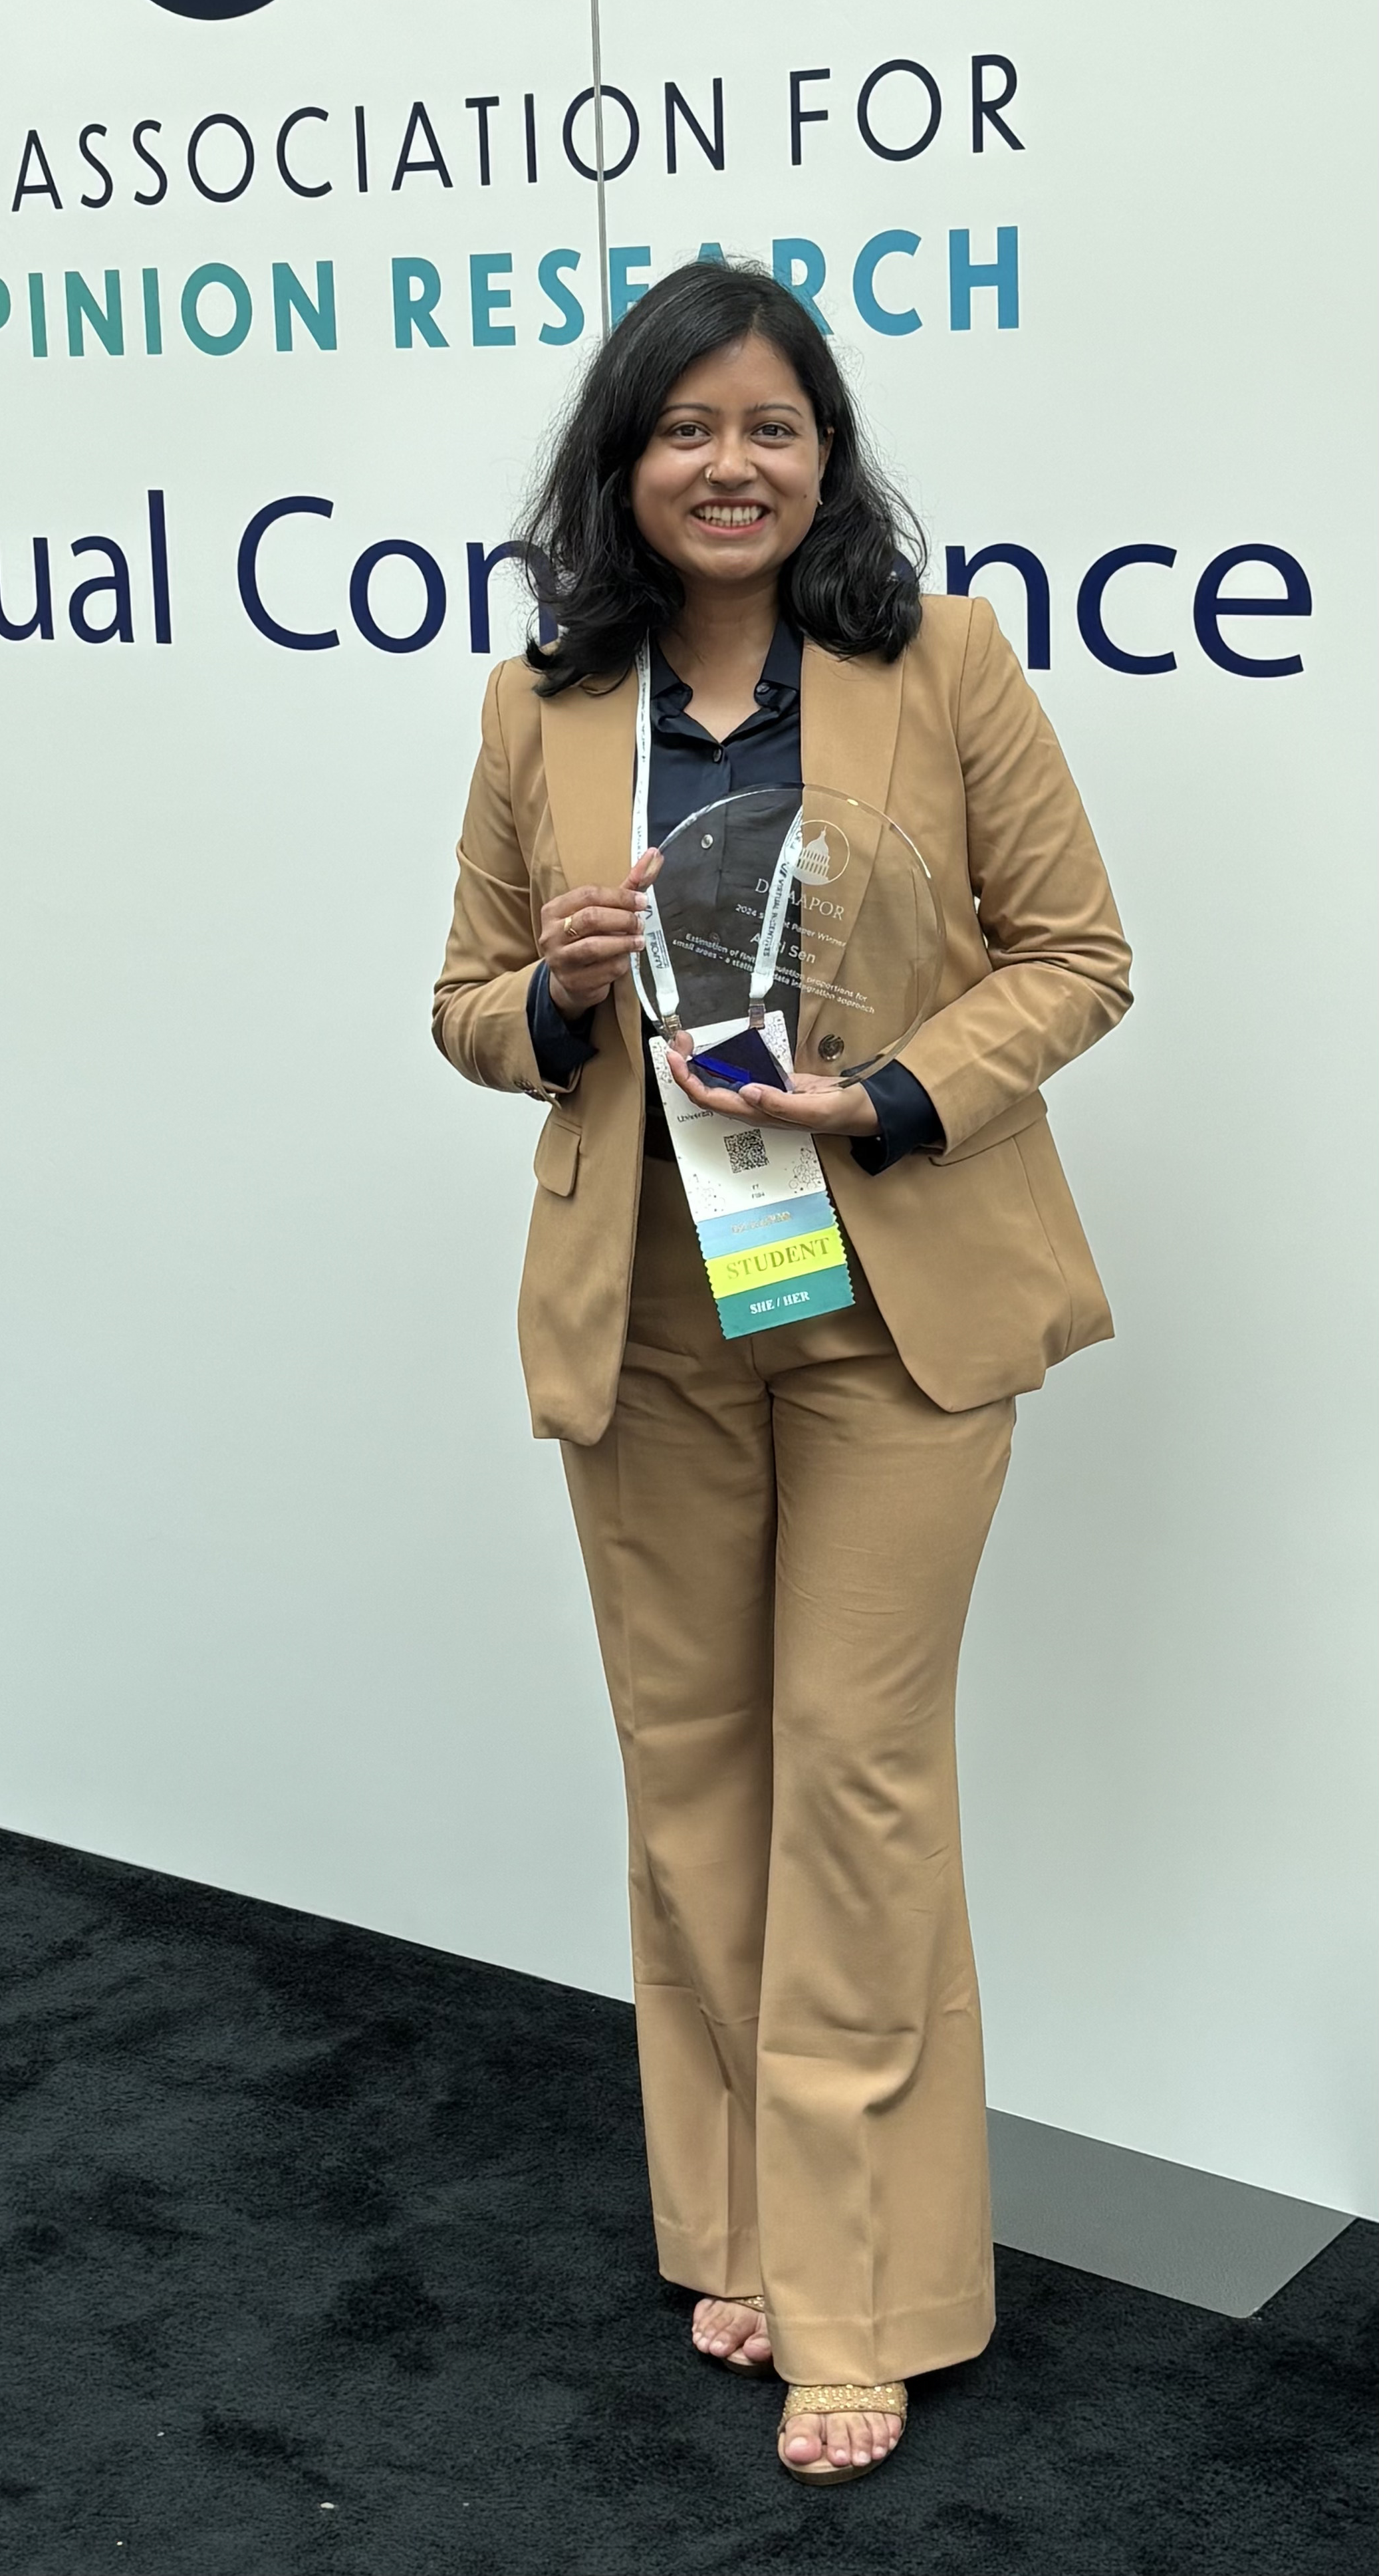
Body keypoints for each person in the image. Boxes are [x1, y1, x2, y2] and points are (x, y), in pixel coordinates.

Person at [432, 260, 1130, 2486]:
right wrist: (549, 996)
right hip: (647, 1304)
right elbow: (463, 1004)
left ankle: (869, 2290)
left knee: (853, 1777)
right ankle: (732, 2213)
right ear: (620, 467)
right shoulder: (543, 706)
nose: (730, 465)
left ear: (825, 452)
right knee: (698, 1772)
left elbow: (1081, 955)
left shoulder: (940, 662)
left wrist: (902, 1092)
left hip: (888, 1309)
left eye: (773, 425)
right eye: (684, 430)